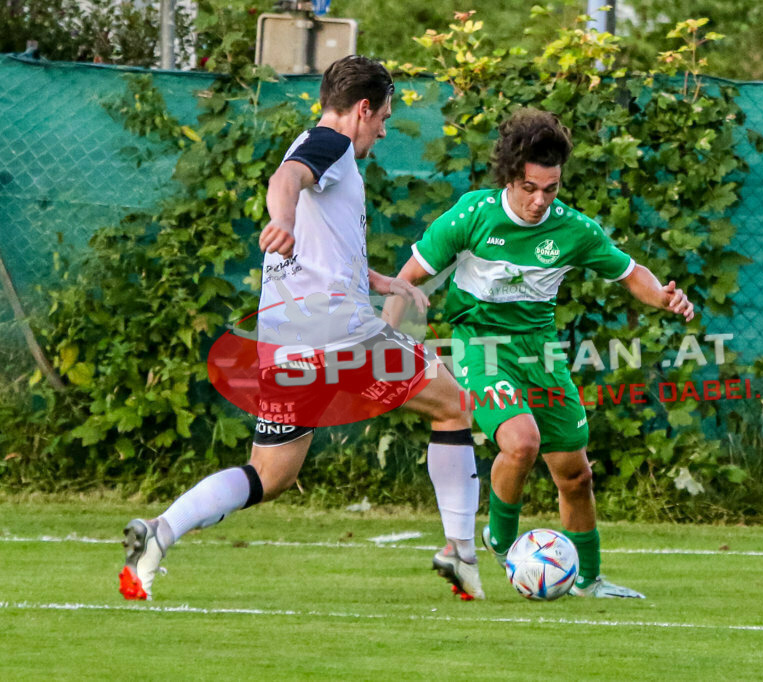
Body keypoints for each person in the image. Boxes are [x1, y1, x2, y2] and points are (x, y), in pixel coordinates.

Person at [119, 55, 485, 602]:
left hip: (284, 340)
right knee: (455, 404)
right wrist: (282, 220)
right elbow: (285, 180)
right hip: (338, 334)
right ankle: (461, 552)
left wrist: (377, 280)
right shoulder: (331, 143)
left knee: (270, 474)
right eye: (383, 117)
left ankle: (159, 533)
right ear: (363, 109)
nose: (383, 130)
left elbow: (323, 240)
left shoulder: (314, 146)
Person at [382, 108, 695, 598]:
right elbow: (408, 278)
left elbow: (631, 272)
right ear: (510, 176)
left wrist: (664, 296)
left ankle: (590, 581)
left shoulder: (574, 230)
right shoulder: (472, 215)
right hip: (479, 344)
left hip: (540, 353)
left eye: (550, 189)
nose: (539, 200)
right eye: (530, 187)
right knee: (521, 442)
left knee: (575, 475)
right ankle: (501, 540)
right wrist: (385, 339)